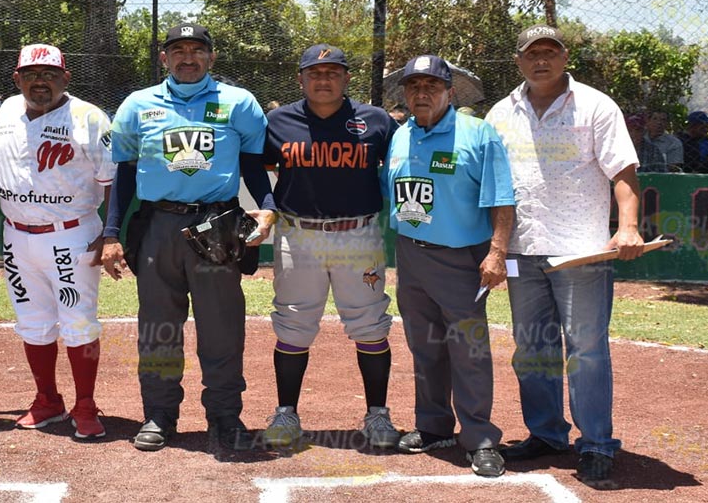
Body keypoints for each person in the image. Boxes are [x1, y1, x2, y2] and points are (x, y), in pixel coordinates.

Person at [100, 23, 276, 452]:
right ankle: (160, 414)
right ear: (164, 58)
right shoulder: (138, 105)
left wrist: (269, 207)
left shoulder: (239, 103)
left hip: (217, 226)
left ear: (211, 57)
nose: (188, 57)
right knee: (158, 327)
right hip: (158, 225)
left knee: (222, 328)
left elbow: (254, 165)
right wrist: (111, 233)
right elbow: (125, 173)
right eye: (178, 50)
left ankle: (225, 416)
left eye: (197, 50)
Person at [485, 24, 644, 486]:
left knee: (586, 350)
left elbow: (623, 172)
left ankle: (596, 444)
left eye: (549, 52)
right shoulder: (501, 113)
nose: (541, 60)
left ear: (565, 56)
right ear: (518, 61)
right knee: (532, 348)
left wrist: (628, 226)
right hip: (522, 249)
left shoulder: (595, 106)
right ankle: (547, 434)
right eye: (532, 53)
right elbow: (492, 182)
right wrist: (495, 245)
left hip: (582, 252)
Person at [259, 44, 397, 451]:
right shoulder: (278, 122)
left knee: (370, 323)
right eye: (315, 73)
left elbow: (401, 165)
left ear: (347, 78)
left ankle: (377, 414)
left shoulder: (376, 121)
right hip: (298, 233)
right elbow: (256, 165)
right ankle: (286, 412)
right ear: (300, 79)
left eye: (333, 72)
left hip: (359, 234)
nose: (324, 80)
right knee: (293, 323)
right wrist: (266, 205)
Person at [385, 55, 515, 478]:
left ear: (450, 92)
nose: (421, 93)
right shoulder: (401, 135)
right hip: (411, 254)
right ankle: (434, 426)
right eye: (414, 86)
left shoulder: (477, 134)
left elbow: (501, 198)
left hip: (461, 258)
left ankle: (479, 438)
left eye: (432, 86)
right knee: (425, 346)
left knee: (468, 350)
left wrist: (497, 252)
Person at [0, 44, 115, 439]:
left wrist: (110, 235)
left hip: (72, 234)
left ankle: (85, 404)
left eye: (49, 74)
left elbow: (114, 179)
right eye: (31, 74)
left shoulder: (89, 117)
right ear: (17, 78)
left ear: (65, 78)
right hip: (17, 236)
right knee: (32, 323)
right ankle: (47, 400)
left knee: (79, 323)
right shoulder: (7, 110)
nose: (40, 81)